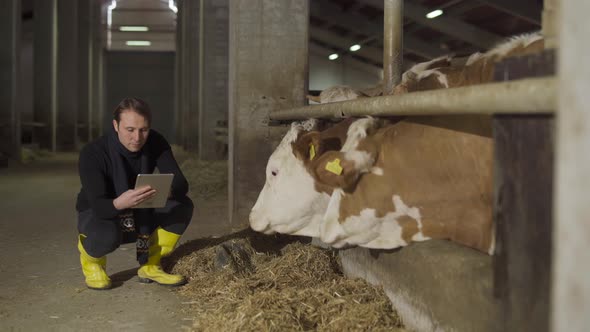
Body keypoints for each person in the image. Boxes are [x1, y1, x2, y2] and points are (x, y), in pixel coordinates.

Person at [75, 97, 193, 290]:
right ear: (116, 125)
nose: (137, 138)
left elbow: (181, 184)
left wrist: (166, 191)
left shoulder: (156, 142)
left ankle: (150, 263)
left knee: (182, 206)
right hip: (103, 210)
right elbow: (98, 206)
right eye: (130, 130)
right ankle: (92, 261)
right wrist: (120, 203)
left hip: (142, 207)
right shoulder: (93, 152)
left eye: (143, 130)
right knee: (108, 235)